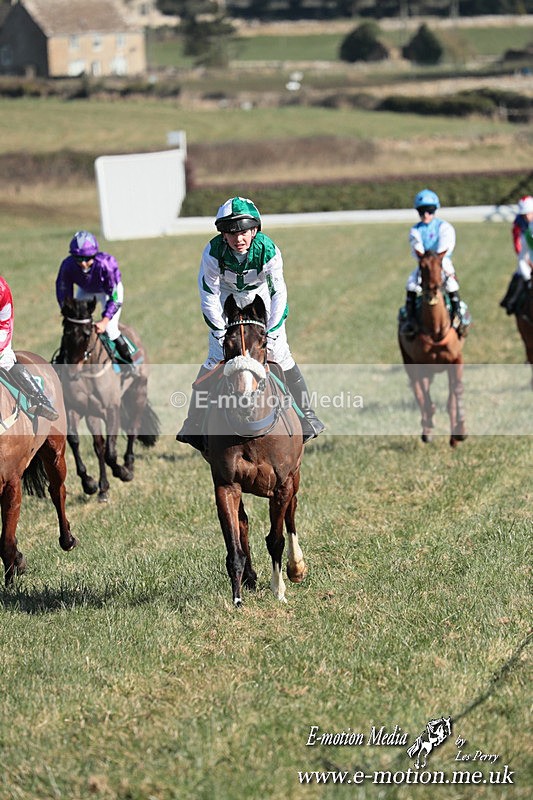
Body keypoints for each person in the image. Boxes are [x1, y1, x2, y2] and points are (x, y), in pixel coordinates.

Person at [176, 196, 325, 452]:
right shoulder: (212, 251)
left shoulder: (268, 249)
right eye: (231, 233)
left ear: (254, 229)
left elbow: (278, 292)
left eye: (243, 231)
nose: (238, 238)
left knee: (280, 354)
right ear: (223, 234)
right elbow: (208, 294)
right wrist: (219, 331)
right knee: (214, 358)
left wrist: (275, 329)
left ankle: (306, 416)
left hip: (261, 297)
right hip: (226, 298)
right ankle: (194, 423)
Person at [55, 230, 134, 368]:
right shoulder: (67, 265)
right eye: (78, 259)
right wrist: (67, 311)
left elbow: (114, 297)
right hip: (86, 290)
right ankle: (61, 361)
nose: (83, 264)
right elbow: (63, 290)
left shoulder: (106, 264)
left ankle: (129, 363)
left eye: (87, 258)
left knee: (110, 328)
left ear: (95, 254)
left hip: (108, 292)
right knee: (72, 327)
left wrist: (104, 320)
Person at [400, 189, 468, 337]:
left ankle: (458, 316)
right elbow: (416, 247)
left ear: (435, 211)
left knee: (451, 283)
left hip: (442, 262)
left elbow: (445, 247)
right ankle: (410, 319)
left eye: (429, 211)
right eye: (422, 211)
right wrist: (426, 260)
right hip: (424, 263)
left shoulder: (444, 227)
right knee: (411, 283)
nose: (426, 215)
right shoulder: (415, 230)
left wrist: (435, 260)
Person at [0, 274, 59, 420]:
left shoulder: (1, 289)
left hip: (1, 327)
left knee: (5, 360)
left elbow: (5, 324)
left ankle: (40, 399)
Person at [500, 195, 533, 315]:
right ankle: (511, 303)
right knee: (520, 275)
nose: (526, 217)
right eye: (524, 214)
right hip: (528, 259)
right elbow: (519, 247)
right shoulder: (519, 224)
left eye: (528, 213)